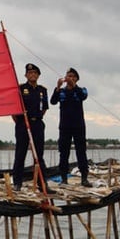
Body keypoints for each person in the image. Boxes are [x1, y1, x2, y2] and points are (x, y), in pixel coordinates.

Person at [11, 63, 49, 191]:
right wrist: (21, 121)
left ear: (38, 75)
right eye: (30, 73)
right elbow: (14, 111)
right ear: (26, 75)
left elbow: (44, 109)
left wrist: (35, 118)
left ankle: (42, 183)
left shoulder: (42, 90)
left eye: (35, 73)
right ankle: (17, 183)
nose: (32, 75)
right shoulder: (20, 89)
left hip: (37, 124)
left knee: (39, 155)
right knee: (20, 153)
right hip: (23, 124)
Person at [51, 67, 90, 187]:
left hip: (78, 126)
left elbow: (83, 96)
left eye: (73, 76)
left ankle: (84, 178)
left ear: (77, 79)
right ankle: (63, 178)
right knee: (64, 152)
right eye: (69, 76)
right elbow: (53, 101)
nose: (70, 78)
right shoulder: (61, 91)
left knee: (81, 152)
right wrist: (57, 87)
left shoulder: (81, 90)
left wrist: (75, 86)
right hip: (64, 126)